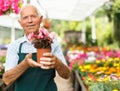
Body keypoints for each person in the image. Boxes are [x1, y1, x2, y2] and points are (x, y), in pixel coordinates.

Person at [2, 4, 70, 91]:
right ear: (20, 23)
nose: (30, 21)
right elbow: (7, 79)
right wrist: (25, 64)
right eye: (25, 18)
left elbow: (66, 75)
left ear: (40, 19)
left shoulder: (52, 43)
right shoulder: (14, 46)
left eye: (33, 16)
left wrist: (57, 62)